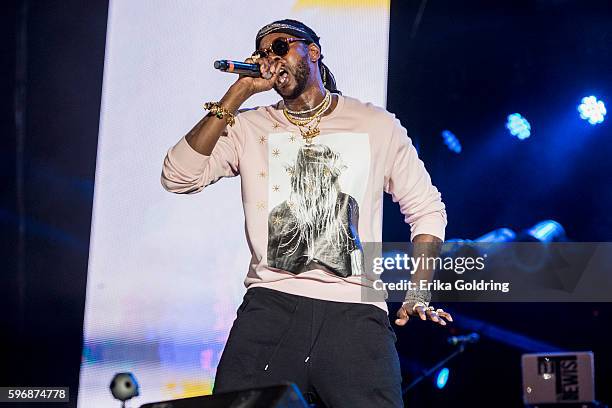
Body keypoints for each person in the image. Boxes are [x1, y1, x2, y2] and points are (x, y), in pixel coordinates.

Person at [161, 19, 452, 408]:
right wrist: (236, 94)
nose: (270, 59)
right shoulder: (248, 126)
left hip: (355, 313)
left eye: (280, 47)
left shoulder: (374, 124)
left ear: (312, 51)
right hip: (272, 306)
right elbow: (178, 176)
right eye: (263, 53)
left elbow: (427, 210)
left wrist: (418, 288)